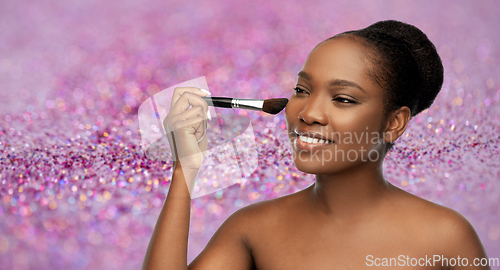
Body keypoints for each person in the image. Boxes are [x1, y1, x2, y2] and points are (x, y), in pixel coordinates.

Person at [142, 20, 490, 269]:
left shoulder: (446, 238)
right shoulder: (253, 229)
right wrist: (185, 169)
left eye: (342, 98)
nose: (307, 112)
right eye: (301, 91)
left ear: (393, 123)